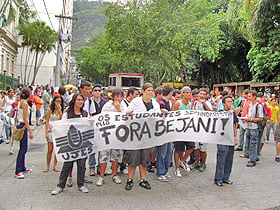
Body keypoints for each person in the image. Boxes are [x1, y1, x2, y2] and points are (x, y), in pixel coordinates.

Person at [124, 83, 160, 190]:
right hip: (136, 135)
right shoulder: (135, 102)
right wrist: (128, 113)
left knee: (145, 159)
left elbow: (157, 117)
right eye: (148, 90)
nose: (150, 92)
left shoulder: (155, 104)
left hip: (148, 135)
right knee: (133, 159)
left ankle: (143, 179)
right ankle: (130, 179)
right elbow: (128, 113)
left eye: (152, 90)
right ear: (143, 91)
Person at [51, 93, 89, 195]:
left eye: (82, 100)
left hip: (82, 143)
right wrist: (54, 127)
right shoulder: (67, 113)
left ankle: (81, 185)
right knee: (67, 164)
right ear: (74, 101)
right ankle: (60, 185)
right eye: (78, 100)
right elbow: (62, 125)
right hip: (70, 143)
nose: (81, 102)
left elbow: (88, 126)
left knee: (82, 164)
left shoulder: (85, 113)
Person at [96, 88, 127, 186]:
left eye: (121, 96)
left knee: (116, 156)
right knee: (104, 155)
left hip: (118, 135)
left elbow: (125, 117)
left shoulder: (123, 105)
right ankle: (101, 176)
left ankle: (114, 174)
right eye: (116, 96)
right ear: (113, 96)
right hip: (107, 134)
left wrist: (118, 109)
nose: (119, 98)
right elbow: (103, 117)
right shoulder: (107, 105)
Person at [214, 95, 237, 186]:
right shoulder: (220, 113)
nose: (230, 103)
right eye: (228, 102)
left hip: (230, 139)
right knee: (221, 159)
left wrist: (235, 138)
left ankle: (226, 177)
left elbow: (235, 126)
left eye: (231, 102)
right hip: (222, 139)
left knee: (229, 159)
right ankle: (218, 178)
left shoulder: (232, 113)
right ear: (223, 104)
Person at [172, 86, 194, 177]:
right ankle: (177, 168)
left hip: (187, 129)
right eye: (187, 93)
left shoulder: (190, 104)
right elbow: (172, 115)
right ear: (183, 94)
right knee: (178, 149)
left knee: (191, 146)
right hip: (178, 130)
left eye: (190, 93)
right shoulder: (178, 103)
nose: (189, 94)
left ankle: (183, 160)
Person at [15, 88, 34, 179]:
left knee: (23, 148)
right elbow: (25, 118)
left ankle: (22, 167)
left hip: (21, 124)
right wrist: (30, 130)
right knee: (23, 148)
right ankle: (18, 169)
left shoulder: (21, 102)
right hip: (23, 126)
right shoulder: (25, 103)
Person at [156, 85, 174, 182]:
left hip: (169, 131)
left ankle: (165, 171)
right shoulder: (161, 103)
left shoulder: (169, 102)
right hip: (162, 132)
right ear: (170, 92)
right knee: (162, 152)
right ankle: (160, 172)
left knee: (169, 151)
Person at [192, 88, 212, 172]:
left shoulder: (207, 103)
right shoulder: (196, 103)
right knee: (195, 147)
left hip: (204, 128)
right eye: (200, 94)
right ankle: (197, 162)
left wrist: (205, 104)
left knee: (203, 148)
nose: (202, 95)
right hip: (196, 127)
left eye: (204, 94)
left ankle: (203, 163)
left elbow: (211, 112)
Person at [242, 90, 263, 167]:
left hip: (254, 127)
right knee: (248, 141)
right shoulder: (250, 105)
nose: (248, 97)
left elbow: (261, 118)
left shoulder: (258, 106)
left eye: (250, 96)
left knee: (253, 143)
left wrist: (250, 119)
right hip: (249, 126)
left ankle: (252, 159)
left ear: (254, 97)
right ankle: (253, 156)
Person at [43, 95, 64, 173]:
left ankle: (55, 165)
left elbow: (62, 120)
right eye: (57, 101)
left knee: (56, 150)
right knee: (50, 149)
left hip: (57, 131)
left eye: (60, 102)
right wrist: (46, 132)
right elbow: (47, 121)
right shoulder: (50, 110)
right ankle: (47, 166)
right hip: (50, 131)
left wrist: (60, 111)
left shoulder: (61, 111)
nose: (58, 103)